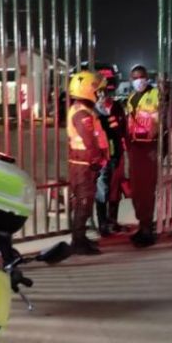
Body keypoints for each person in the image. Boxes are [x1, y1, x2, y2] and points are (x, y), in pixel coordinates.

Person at [65, 70, 110, 255]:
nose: (100, 94)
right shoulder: (81, 113)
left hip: (83, 164)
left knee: (84, 202)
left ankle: (81, 238)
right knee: (83, 203)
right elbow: (89, 140)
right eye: (97, 90)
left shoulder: (83, 110)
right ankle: (78, 242)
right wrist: (97, 160)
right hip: (83, 165)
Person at [125, 64, 161, 248]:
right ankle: (142, 224)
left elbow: (164, 115)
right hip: (135, 148)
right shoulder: (131, 98)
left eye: (141, 76)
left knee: (146, 189)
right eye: (134, 77)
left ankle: (148, 228)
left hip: (149, 148)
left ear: (147, 77)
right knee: (137, 190)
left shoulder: (155, 94)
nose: (138, 80)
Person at [94, 70, 128, 237]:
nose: (102, 94)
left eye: (104, 90)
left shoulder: (116, 107)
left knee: (115, 189)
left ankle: (112, 221)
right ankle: (102, 224)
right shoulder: (92, 110)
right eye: (98, 91)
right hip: (100, 157)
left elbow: (122, 129)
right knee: (101, 190)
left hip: (116, 154)